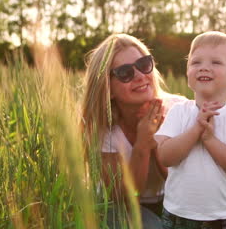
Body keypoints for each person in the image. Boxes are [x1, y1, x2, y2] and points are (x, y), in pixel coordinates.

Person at [155, 31, 226, 229]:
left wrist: (210, 140)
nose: (204, 67)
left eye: (216, 62)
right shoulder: (179, 112)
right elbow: (164, 157)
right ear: (188, 73)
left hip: (220, 221)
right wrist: (196, 129)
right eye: (196, 62)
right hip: (176, 218)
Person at [80, 33, 186, 228]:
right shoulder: (103, 129)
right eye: (125, 72)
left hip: (172, 198)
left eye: (144, 64)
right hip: (125, 206)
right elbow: (126, 201)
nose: (139, 76)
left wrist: (159, 141)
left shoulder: (179, 109)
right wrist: (142, 144)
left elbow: (185, 187)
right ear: (108, 88)